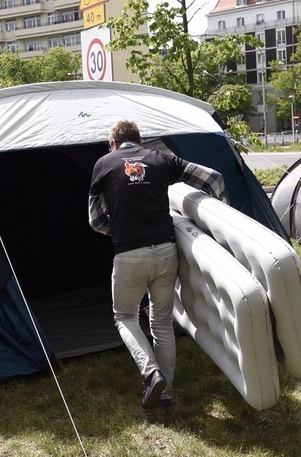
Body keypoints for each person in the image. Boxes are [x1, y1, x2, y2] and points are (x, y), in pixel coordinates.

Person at [88, 120, 227, 409]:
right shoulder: (161, 158)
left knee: (125, 317)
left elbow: (96, 220)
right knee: (161, 322)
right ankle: (166, 395)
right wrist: (222, 221)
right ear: (140, 141)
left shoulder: (103, 164)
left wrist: (119, 229)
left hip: (129, 255)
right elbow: (213, 179)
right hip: (166, 251)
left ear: (112, 143)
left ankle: (151, 372)